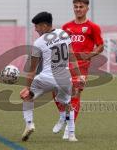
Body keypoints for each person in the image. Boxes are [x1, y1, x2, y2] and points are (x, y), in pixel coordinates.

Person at [20, 11, 85, 142]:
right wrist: (80, 76)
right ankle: (72, 135)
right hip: (64, 79)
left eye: (37, 26)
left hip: (46, 78)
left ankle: (29, 124)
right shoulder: (64, 34)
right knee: (68, 104)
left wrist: (27, 87)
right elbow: (72, 57)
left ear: (44, 26)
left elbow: (32, 70)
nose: (36, 29)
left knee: (27, 97)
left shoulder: (38, 42)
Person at [52, 0, 104, 139]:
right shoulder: (66, 27)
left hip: (81, 67)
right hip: (64, 65)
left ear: (87, 8)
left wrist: (90, 55)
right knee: (55, 91)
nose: (78, 9)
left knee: (75, 95)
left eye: (81, 7)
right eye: (76, 6)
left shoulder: (93, 27)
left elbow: (101, 46)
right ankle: (63, 117)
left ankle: (69, 129)